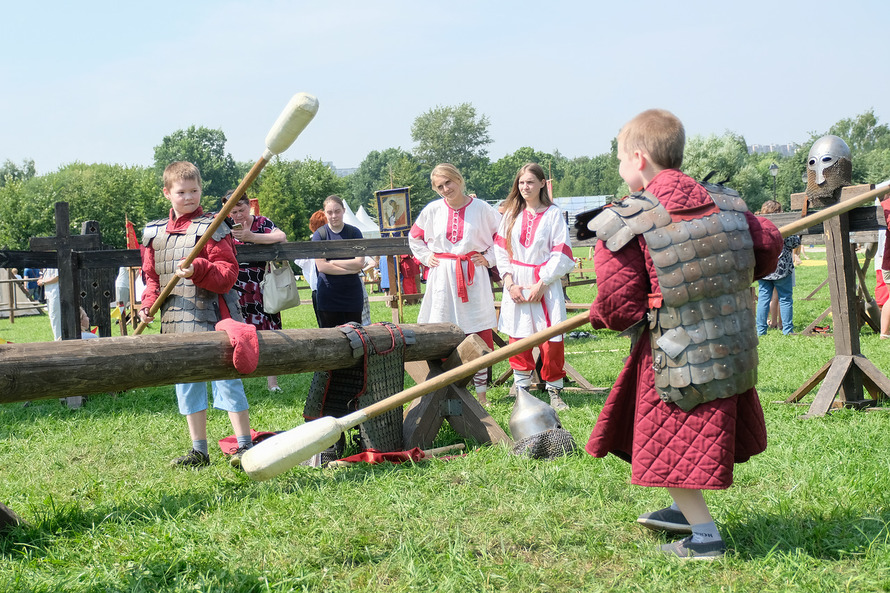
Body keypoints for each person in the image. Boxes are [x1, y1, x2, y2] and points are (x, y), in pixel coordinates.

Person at [585, 109, 782, 559]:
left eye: (619, 158)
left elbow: (619, 307)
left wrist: (601, 315)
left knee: (669, 441)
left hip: (672, 356)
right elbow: (767, 244)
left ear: (638, 158)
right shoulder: (727, 203)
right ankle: (683, 509)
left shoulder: (627, 219)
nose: (619, 168)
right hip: (729, 344)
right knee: (680, 440)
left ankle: (706, 539)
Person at [138, 161, 255, 469]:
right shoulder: (153, 234)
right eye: (181, 192)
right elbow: (152, 278)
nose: (188, 197)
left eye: (194, 190)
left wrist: (199, 269)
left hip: (217, 317)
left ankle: (245, 444)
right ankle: (199, 450)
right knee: (187, 382)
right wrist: (148, 305)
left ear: (201, 189)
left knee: (227, 381)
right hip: (177, 320)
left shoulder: (213, 227)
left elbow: (227, 275)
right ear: (167, 193)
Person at [409, 163, 500, 407]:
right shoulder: (432, 210)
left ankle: (481, 394)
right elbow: (414, 237)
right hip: (442, 278)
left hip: (472, 276)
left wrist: (488, 258)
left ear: (458, 179)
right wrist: (427, 257)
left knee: (478, 330)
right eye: (439, 186)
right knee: (442, 329)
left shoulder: (481, 208)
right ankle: (447, 389)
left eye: (448, 182)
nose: (445, 189)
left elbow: (501, 236)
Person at [494, 163, 575, 411]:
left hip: (545, 283)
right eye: (521, 182)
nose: (525, 187)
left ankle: (554, 391)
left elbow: (561, 251)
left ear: (542, 184)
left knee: (551, 337)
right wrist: (509, 284)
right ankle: (522, 391)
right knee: (518, 336)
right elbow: (500, 250)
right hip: (516, 281)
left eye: (530, 182)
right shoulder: (510, 215)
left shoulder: (553, 214)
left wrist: (542, 283)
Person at [222, 189, 288, 392]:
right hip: (234, 288)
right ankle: (235, 381)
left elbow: (281, 237)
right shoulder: (223, 225)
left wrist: (252, 236)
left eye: (240, 209)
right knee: (235, 333)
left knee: (269, 332)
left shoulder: (262, 223)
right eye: (232, 211)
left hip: (262, 287)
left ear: (248, 205)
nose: (237, 215)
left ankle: (272, 383)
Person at [312, 195, 366, 328]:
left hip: (352, 295)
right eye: (329, 212)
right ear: (325, 213)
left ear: (343, 210)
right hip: (328, 295)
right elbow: (322, 267)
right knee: (330, 339)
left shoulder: (355, 233)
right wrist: (351, 268)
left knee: (355, 336)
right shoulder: (319, 235)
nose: (334, 215)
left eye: (337, 211)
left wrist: (332, 262)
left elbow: (359, 263)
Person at [756, 200, 800, 336]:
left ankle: (760, 331)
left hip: (764, 266)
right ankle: (787, 330)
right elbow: (794, 242)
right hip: (782, 267)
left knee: (763, 298)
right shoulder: (784, 224)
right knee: (785, 298)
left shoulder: (758, 224)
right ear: (778, 212)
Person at [294, 209, 328, 327]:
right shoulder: (328, 242)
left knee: (323, 325)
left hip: (317, 290)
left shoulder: (309, 246)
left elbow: (299, 261)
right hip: (326, 289)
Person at [37, 268, 61, 340]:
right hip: (48, 293)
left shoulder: (55, 261)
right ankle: (57, 338)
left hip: (55, 292)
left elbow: (58, 277)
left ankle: (58, 339)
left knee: (55, 317)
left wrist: (43, 281)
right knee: (52, 317)